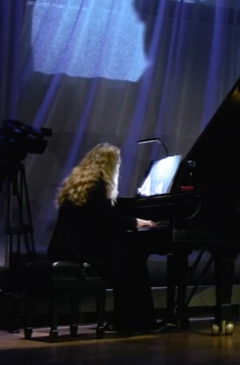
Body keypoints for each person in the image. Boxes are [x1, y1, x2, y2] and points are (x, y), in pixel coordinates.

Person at [48, 143, 164, 334]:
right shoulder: (98, 186)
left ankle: (121, 320)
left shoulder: (78, 184)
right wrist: (137, 222)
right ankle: (138, 323)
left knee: (128, 259)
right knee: (133, 262)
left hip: (66, 247)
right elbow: (107, 218)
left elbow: (97, 219)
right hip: (81, 249)